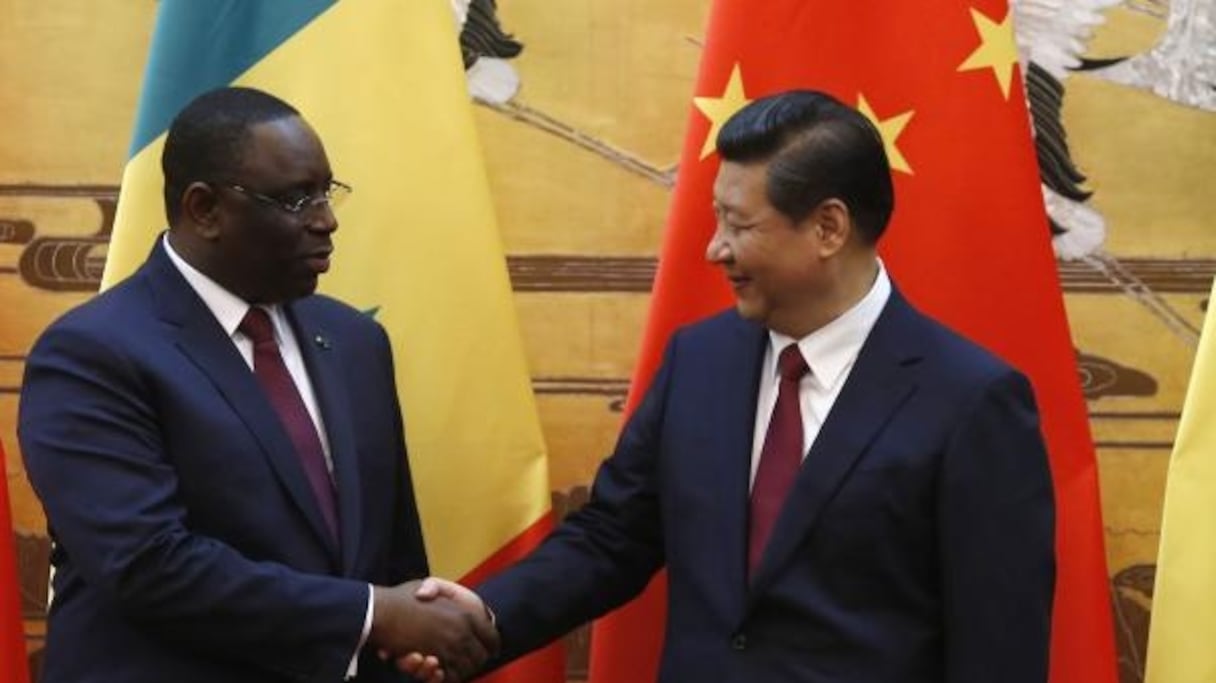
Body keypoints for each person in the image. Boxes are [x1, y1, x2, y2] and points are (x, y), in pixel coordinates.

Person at [411, 89, 1056, 682]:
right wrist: (484, 617)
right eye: (717, 219)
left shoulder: (971, 400)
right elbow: (615, 537)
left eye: (740, 226)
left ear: (828, 228)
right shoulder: (701, 360)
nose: (715, 249)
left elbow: (997, 647)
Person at [18, 86, 496, 683]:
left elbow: (392, 555)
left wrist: (411, 633)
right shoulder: (93, 353)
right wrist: (373, 616)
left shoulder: (354, 342)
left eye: (326, 192)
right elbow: (148, 565)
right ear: (204, 210)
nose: (326, 221)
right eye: (296, 199)